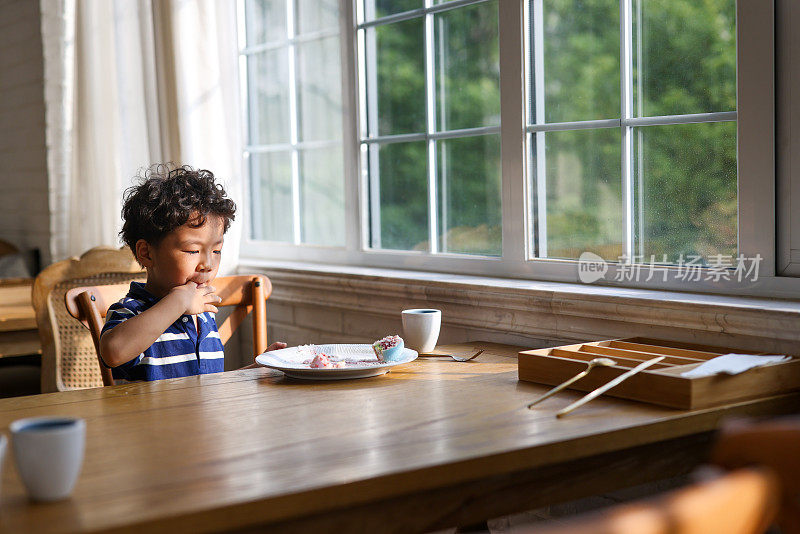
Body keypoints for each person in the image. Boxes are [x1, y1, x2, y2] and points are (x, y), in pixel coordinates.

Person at [99, 164, 286, 381]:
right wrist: (178, 302)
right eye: (192, 250)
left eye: (216, 250)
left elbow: (208, 387)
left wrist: (255, 370)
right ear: (146, 253)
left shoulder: (203, 316)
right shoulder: (130, 312)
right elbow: (113, 351)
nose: (207, 263)